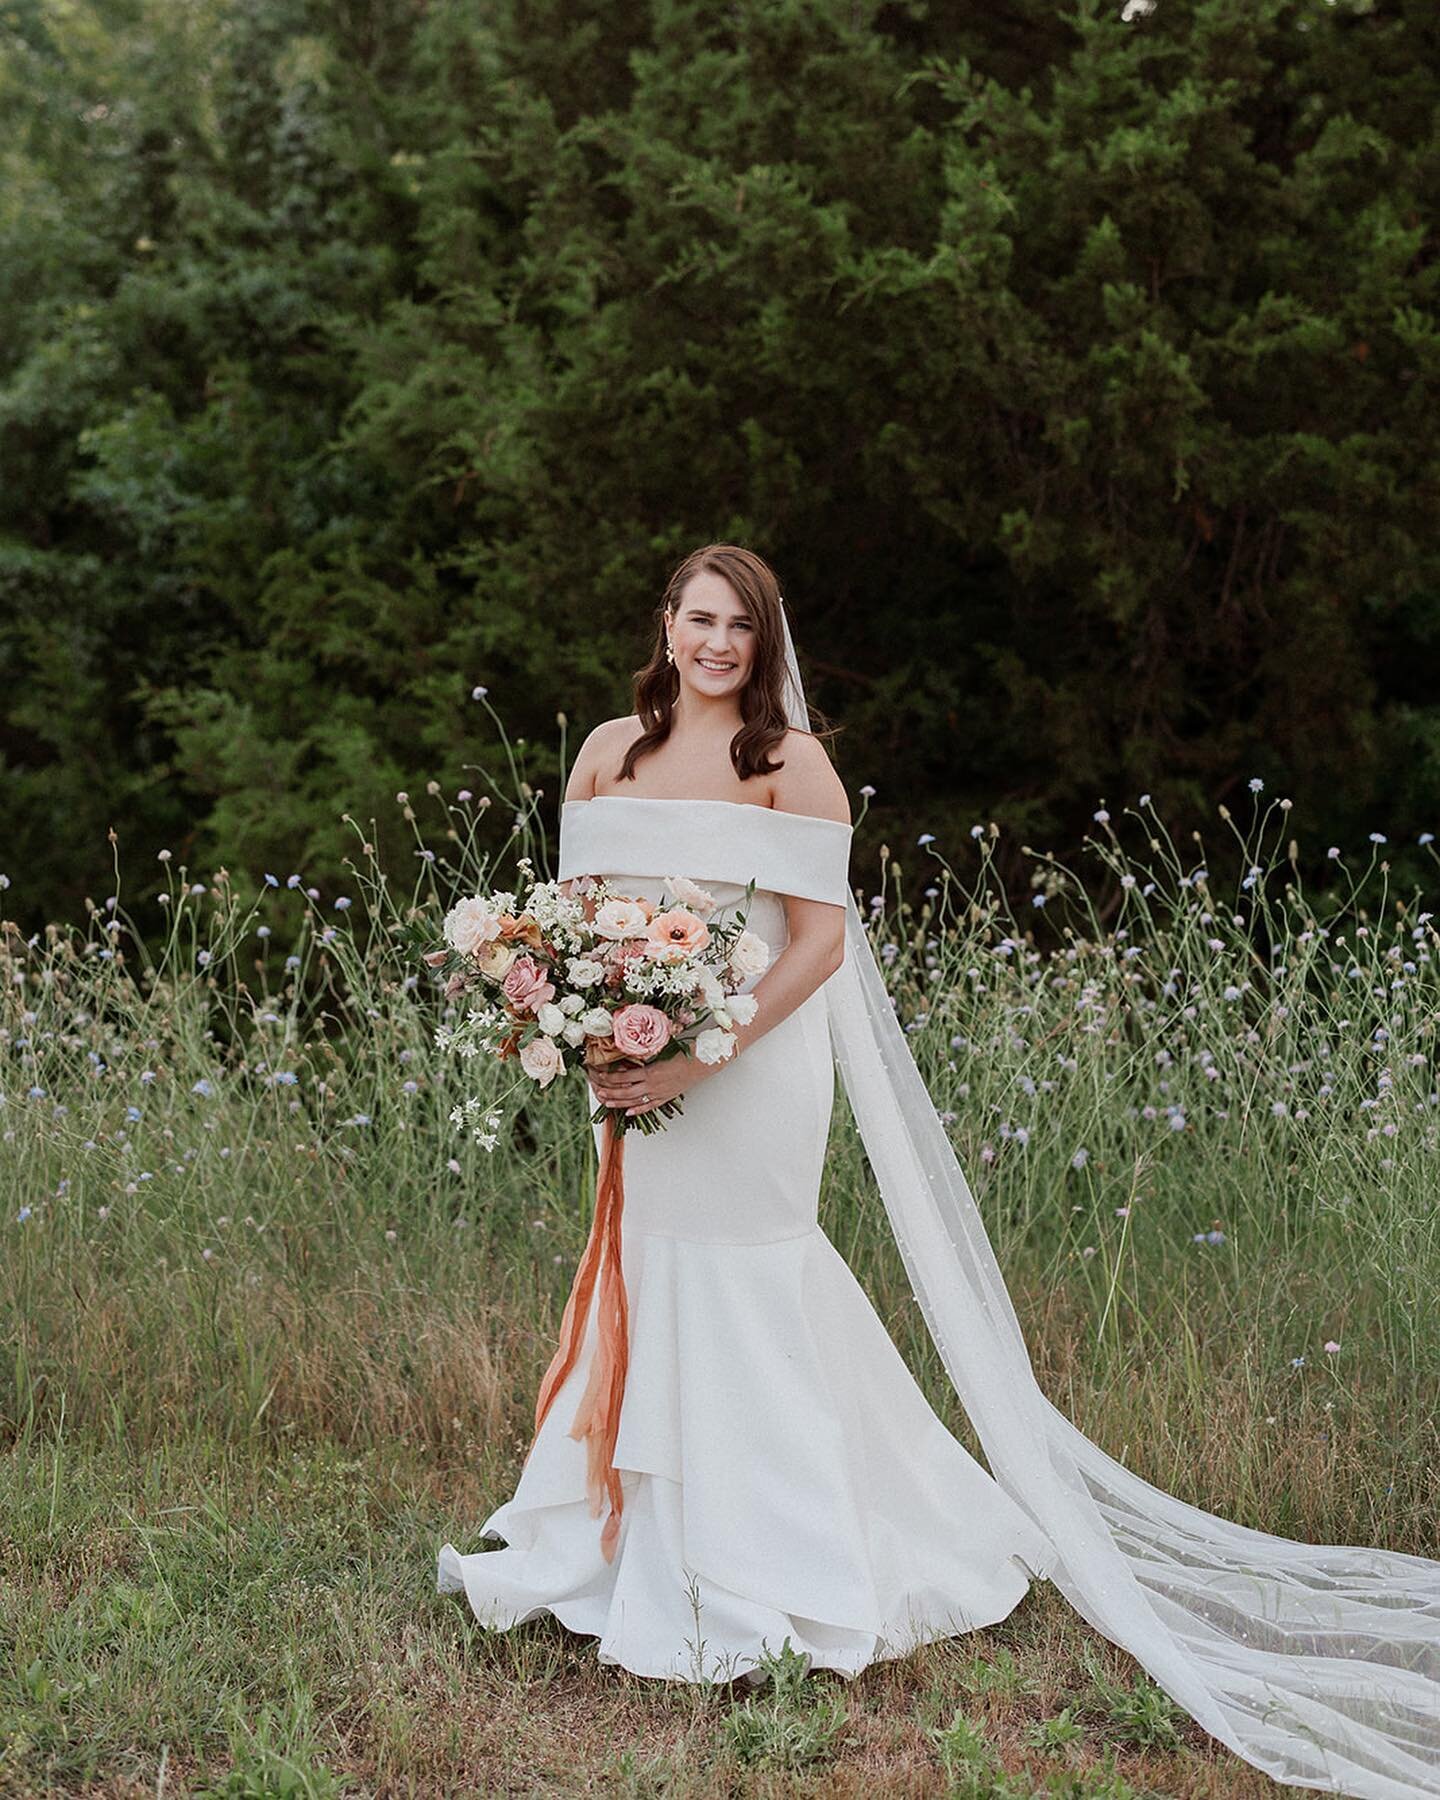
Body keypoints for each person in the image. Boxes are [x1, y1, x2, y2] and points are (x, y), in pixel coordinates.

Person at [439, 546, 1440, 1796]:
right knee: (648, 1271)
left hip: (745, 1074)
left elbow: (818, 944)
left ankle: (783, 1558)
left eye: (740, 628)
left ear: (764, 644)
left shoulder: (788, 765)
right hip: (626, 1069)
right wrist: (578, 1021)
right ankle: (636, 1546)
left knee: (746, 1275)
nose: (716, 645)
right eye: (699, 620)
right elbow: (574, 912)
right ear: (667, 624)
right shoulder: (604, 751)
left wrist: (702, 1054)